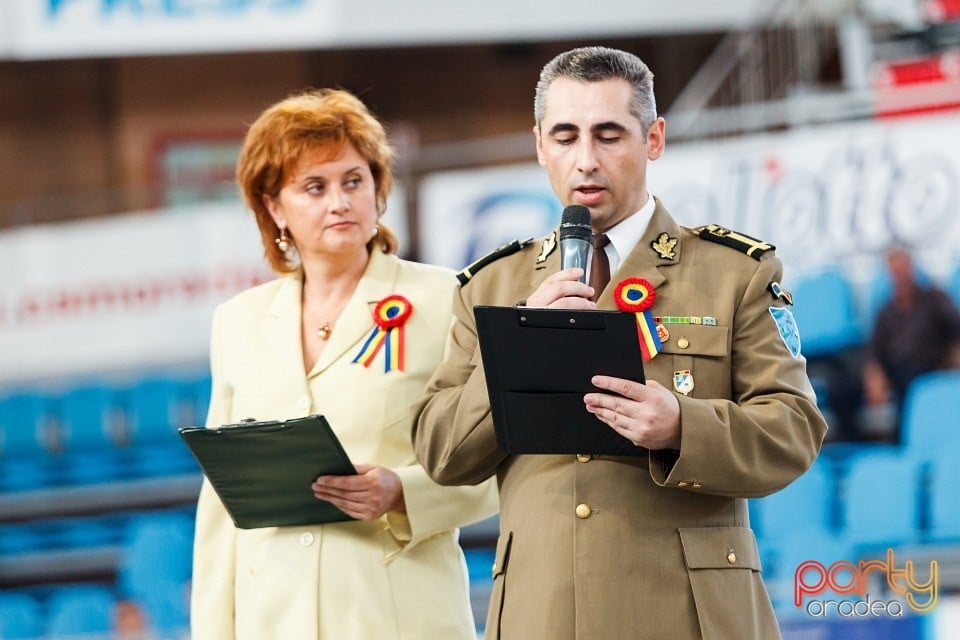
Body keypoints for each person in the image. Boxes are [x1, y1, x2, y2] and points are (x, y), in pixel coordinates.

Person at [412, 46, 828, 639]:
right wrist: (519, 349)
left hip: (686, 613)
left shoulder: (736, 272)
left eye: (609, 135)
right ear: (538, 145)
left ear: (653, 139)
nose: (585, 160)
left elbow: (794, 429)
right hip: (543, 611)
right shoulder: (491, 287)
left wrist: (683, 426)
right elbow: (442, 452)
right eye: (564, 137)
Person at [190, 88, 498, 639]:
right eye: (315, 186)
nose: (341, 201)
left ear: (377, 189)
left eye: (354, 181)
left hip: (399, 614)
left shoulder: (444, 297)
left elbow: (502, 462)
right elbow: (220, 504)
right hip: (271, 619)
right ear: (273, 206)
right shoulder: (236, 320)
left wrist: (404, 491)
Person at [861, 244, 960, 439]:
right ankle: (856, 443)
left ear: (911, 267)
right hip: (894, 368)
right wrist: (874, 373)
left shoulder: (934, 299)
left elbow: (956, 329)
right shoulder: (886, 309)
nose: (899, 274)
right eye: (894, 270)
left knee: (909, 378)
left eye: (902, 268)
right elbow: (874, 348)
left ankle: (904, 439)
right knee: (843, 388)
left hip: (929, 365)